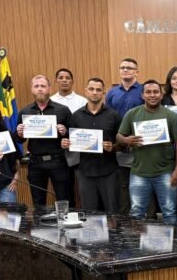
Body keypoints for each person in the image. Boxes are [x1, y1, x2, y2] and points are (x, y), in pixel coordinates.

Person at [116, 80, 177, 223]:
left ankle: (172, 245)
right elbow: (119, 136)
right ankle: (136, 245)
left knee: (169, 212)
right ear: (142, 95)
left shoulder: (171, 116)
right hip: (139, 172)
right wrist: (127, 140)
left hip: (165, 172)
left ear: (161, 95)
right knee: (136, 212)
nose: (152, 95)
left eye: (155, 92)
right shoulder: (132, 114)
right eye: (148, 92)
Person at [61, 78, 120, 214]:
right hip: (85, 171)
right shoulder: (76, 116)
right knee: (90, 214)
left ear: (103, 93)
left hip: (109, 171)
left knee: (113, 213)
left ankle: (113, 236)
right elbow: (71, 142)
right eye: (91, 89)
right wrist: (66, 144)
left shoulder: (114, 115)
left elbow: (122, 143)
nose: (95, 93)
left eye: (98, 90)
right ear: (86, 91)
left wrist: (114, 147)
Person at [16, 75, 71, 206]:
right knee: (38, 200)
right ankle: (39, 226)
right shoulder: (25, 111)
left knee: (64, 198)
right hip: (35, 162)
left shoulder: (62, 110)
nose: (40, 89)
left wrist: (65, 132)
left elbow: (73, 136)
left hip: (58, 160)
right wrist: (19, 133)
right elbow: (19, 140)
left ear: (49, 89)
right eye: (36, 86)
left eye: (43, 86)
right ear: (32, 89)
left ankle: (64, 224)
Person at [106, 57, 144, 214]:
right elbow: (108, 118)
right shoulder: (112, 93)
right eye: (122, 67)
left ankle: (141, 221)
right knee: (123, 185)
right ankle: (125, 223)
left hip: (141, 145)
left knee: (141, 184)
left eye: (129, 67)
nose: (125, 70)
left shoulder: (143, 91)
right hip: (120, 146)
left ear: (137, 71)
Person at [51, 68, 87, 207]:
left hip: (79, 150)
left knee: (83, 186)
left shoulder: (82, 101)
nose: (64, 80)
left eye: (67, 78)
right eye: (61, 77)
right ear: (56, 81)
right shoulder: (50, 101)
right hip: (58, 151)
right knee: (65, 188)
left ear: (72, 81)